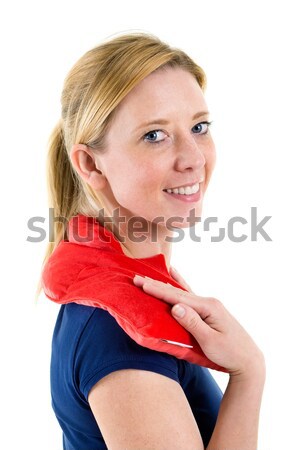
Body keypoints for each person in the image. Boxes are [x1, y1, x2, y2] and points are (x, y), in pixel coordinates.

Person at [38, 32, 265, 449]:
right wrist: (249, 373)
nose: (193, 158)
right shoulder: (121, 330)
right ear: (91, 164)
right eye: (154, 135)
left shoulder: (141, 292)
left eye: (199, 127)